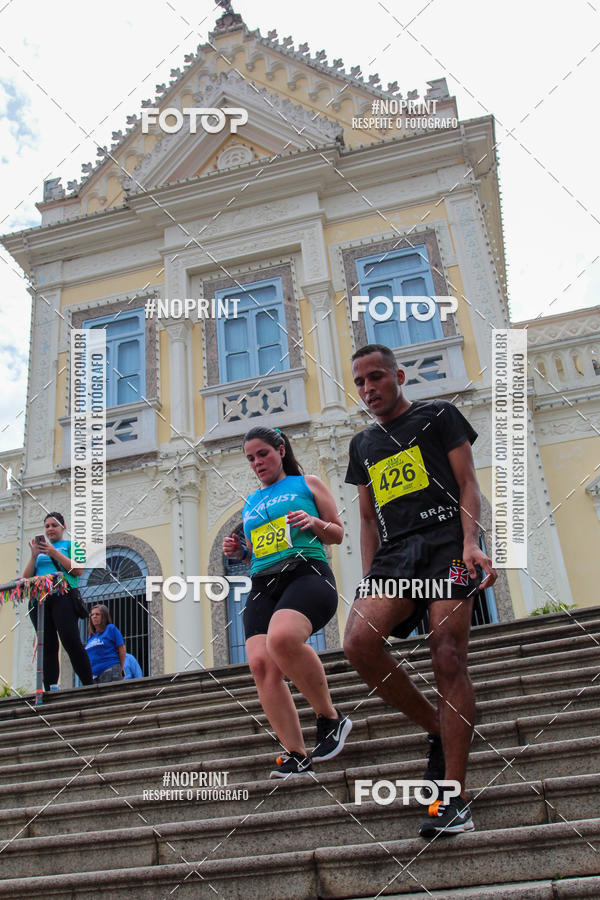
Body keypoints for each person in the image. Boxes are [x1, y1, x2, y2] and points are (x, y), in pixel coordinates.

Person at [343, 344, 497, 837]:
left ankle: (452, 799)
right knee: (357, 642)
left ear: (399, 375)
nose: (369, 389)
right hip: (397, 557)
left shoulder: (439, 415)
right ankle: (438, 725)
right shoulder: (362, 445)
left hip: (449, 546)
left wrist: (472, 542)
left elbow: (468, 483)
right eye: (360, 382)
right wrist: (371, 576)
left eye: (376, 378)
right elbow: (368, 518)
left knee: (447, 654)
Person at [223, 426, 352, 777]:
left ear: (281, 450)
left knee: (281, 639)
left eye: (263, 453)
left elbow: (337, 533)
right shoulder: (250, 502)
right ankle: (296, 754)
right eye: (250, 458)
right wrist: (241, 551)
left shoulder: (307, 483)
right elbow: (261, 548)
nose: (257, 462)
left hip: (306, 572)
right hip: (263, 582)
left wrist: (313, 522)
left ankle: (330, 718)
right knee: (261, 666)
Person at [23, 512, 93, 691]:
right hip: (40, 600)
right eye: (47, 526)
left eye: (54, 525)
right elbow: (25, 579)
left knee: (70, 640)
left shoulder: (71, 545)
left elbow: (78, 570)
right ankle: (51, 687)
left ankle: (88, 683)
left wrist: (53, 552)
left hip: (62, 595)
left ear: (63, 527)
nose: (50, 529)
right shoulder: (39, 553)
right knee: (47, 645)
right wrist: (33, 556)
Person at [85, 605, 126, 683]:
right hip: (94, 676)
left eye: (97, 614)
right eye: (92, 615)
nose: (94, 617)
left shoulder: (111, 629)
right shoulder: (91, 636)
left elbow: (122, 649)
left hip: (110, 670)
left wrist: (121, 669)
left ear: (104, 616)